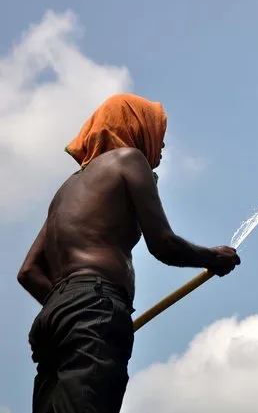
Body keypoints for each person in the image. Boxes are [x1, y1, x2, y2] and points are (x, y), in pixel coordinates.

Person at [17, 93, 241, 413]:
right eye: (158, 133)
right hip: (93, 307)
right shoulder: (129, 159)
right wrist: (212, 258)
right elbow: (163, 243)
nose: (161, 146)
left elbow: (28, 272)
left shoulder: (66, 190)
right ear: (136, 126)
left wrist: (70, 306)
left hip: (53, 320)